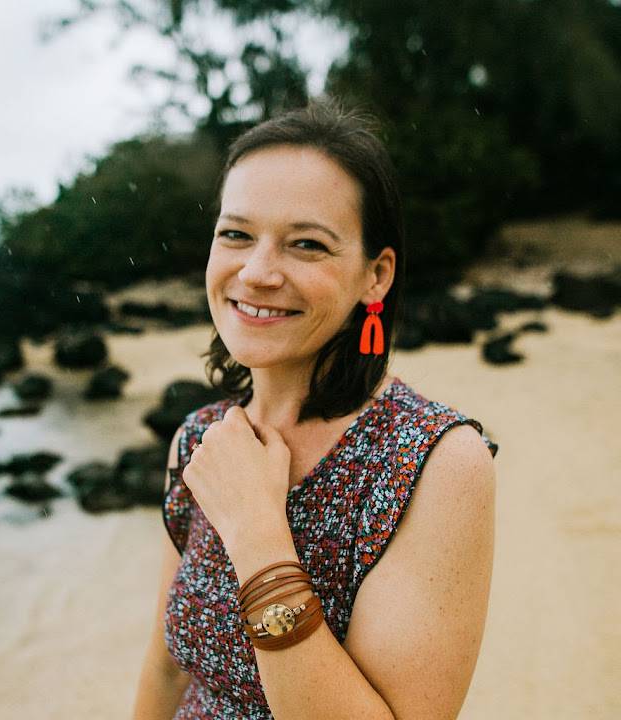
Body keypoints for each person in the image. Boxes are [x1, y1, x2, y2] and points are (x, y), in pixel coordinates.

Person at [132, 97, 499, 719]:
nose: (256, 273)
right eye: (236, 234)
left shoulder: (434, 464)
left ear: (376, 276)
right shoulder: (199, 439)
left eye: (306, 244)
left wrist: (257, 534)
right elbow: (167, 669)